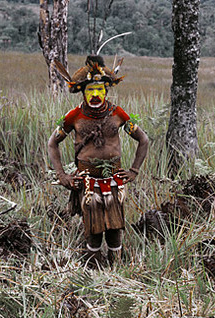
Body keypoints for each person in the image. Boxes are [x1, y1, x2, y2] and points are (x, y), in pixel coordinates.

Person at [47, 56, 150, 266]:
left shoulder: (118, 113)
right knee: (93, 230)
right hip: (87, 181)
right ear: (83, 91)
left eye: (100, 89)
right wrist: (62, 175)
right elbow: (52, 143)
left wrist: (133, 171)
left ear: (107, 91)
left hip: (114, 180)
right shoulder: (73, 116)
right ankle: (93, 270)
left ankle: (116, 271)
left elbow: (143, 140)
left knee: (114, 229)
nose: (95, 94)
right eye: (90, 90)